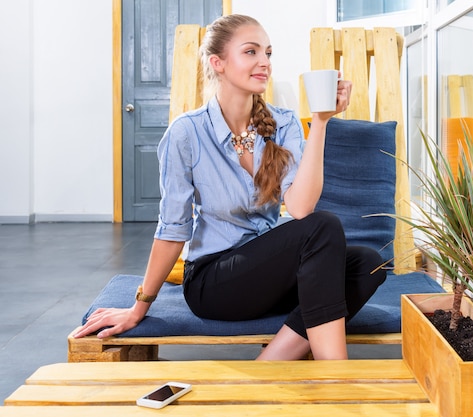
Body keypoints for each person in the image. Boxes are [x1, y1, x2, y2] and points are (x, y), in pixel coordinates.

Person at [74, 14, 386, 360]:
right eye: (251, 52)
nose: (264, 62)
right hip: (215, 284)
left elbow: (299, 208)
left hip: (266, 275)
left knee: (368, 263)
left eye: (268, 53)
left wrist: (323, 122)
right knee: (324, 227)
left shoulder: (283, 125)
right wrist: (139, 307)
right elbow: (173, 230)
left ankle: (271, 362)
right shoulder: (187, 133)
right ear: (217, 63)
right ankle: (336, 376)